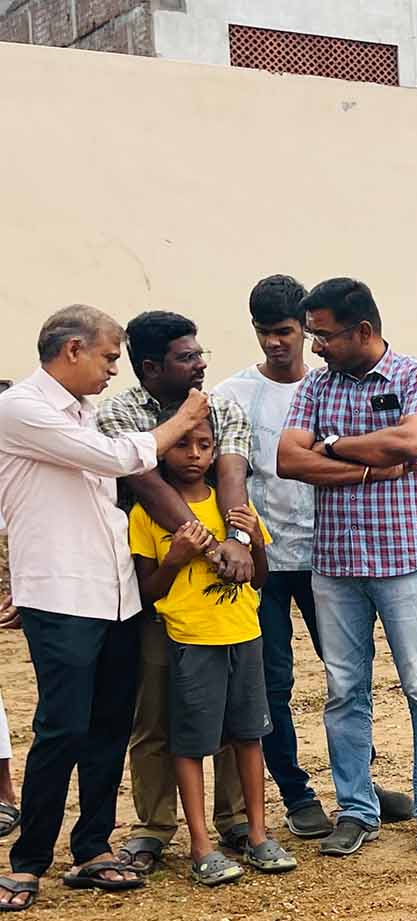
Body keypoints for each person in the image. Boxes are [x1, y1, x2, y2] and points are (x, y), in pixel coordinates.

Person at [0, 306, 203, 911]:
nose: (114, 369)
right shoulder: (21, 408)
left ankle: (91, 848)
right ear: (72, 350)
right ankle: (28, 861)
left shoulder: (84, 412)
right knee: (62, 726)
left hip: (115, 593)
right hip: (61, 594)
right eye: (109, 357)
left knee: (110, 724)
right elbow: (120, 460)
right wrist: (182, 420)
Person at [214, 275, 413, 838]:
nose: (274, 342)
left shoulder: (332, 385)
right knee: (272, 682)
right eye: (263, 332)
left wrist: (335, 462)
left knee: (349, 678)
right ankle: (296, 793)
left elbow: (389, 451)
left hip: (332, 555)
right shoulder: (234, 394)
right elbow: (247, 472)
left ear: (306, 330)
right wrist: (243, 542)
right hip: (264, 561)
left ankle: (360, 786)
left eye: (284, 331)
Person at [277, 278, 417, 856]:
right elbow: (287, 459)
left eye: (324, 335)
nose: (315, 346)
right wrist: (366, 466)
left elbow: (408, 444)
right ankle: (357, 809)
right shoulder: (316, 385)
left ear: (362, 330)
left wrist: (330, 445)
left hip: (405, 560)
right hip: (334, 564)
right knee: (343, 691)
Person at [95, 311, 251, 871]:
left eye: (199, 352)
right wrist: (213, 549)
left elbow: (231, 475)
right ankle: (154, 826)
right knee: (155, 711)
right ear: (151, 367)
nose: (201, 363)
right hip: (153, 580)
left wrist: (237, 539)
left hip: (222, 594)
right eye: (187, 357)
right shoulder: (117, 413)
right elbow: (147, 486)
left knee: (232, 711)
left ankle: (236, 820)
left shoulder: (222, 407)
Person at [129, 419, 294, 884]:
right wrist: (176, 558)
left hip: (243, 633)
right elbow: (147, 591)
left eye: (204, 445)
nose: (194, 455)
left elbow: (260, 578)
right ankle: (201, 846)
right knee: (190, 743)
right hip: (190, 639)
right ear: (162, 452)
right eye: (182, 445)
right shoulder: (147, 514)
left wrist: (254, 542)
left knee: (248, 735)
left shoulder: (236, 508)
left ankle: (257, 834)